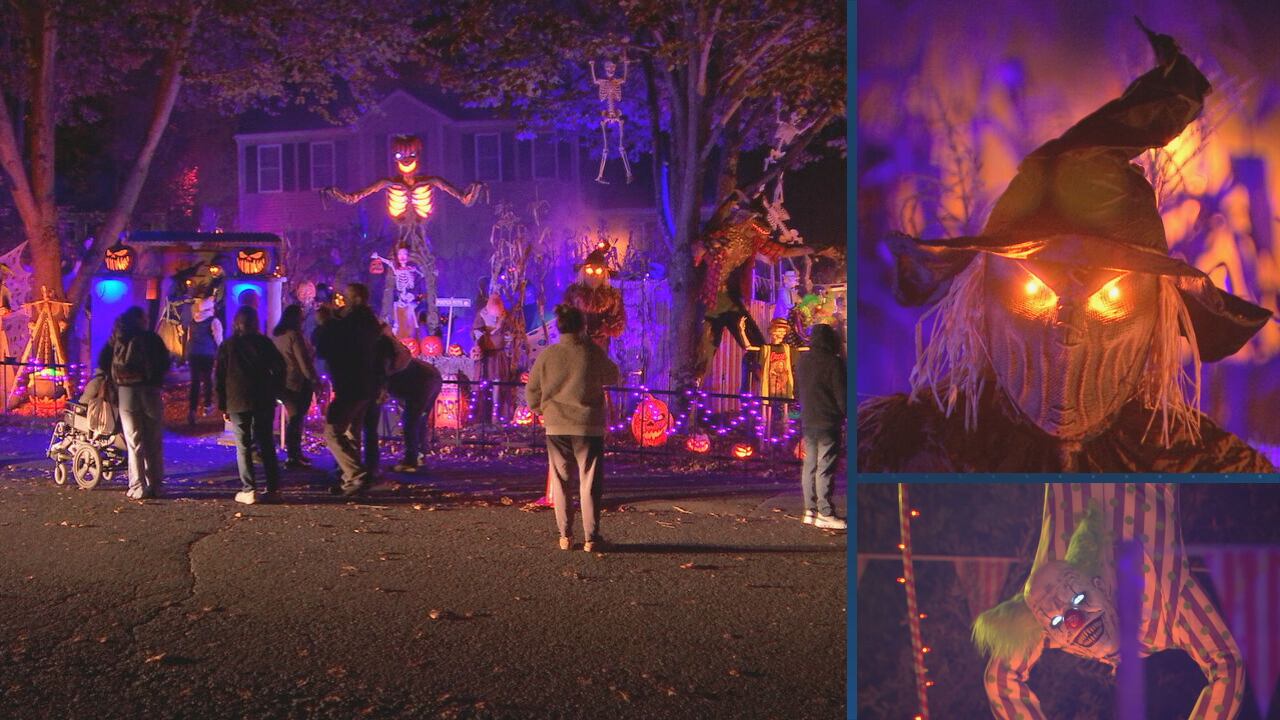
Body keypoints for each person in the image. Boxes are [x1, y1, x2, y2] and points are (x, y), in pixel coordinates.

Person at [857, 25, 1274, 473]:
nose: (1068, 333)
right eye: (1034, 293)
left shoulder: (1207, 466)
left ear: (1157, 312)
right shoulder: (908, 449)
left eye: (1111, 298)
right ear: (983, 301)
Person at [974, 484, 1243, 719]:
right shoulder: (1167, 617)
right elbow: (1228, 664)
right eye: (1059, 619)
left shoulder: (1043, 623)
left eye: (1079, 599)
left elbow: (999, 681)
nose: (1074, 620)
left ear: (1098, 585)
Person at [525, 304, 620, 552]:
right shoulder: (592, 352)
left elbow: (532, 389)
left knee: (561, 481)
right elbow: (613, 375)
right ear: (583, 327)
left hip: (556, 425)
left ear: (559, 327)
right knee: (589, 482)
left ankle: (565, 535)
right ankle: (591, 537)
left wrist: (541, 410)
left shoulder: (548, 355)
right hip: (588, 426)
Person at [315, 283, 393, 496]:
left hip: (350, 384)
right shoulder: (369, 322)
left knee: (332, 432)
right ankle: (351, 480)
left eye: (347, 297)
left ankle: (356, 475)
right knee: (352, 433)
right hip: (365, 385)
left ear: (357, 298)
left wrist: (324, 324)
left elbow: (327, 347)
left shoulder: (353, 323)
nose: (344, 301)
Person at [216, 306, 286, 504]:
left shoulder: (228, 346)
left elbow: (220, 376)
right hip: (263, 398)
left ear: (237, 323)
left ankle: (249, 488)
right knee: (266, 443)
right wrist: (275, 390)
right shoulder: (265, 343)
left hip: (237, 399)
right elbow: (280, 367)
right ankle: (273, 488)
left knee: (243, 444)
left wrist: (223, 404)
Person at [107, 306, 171, 499]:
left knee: (134, 440)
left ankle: (137, 485)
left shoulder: (119, 339)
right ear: (141, 320)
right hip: (150, 390)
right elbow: (164, 362)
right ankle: (156, 484)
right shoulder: (152, 339)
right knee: (153, 439)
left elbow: (107, 364)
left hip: (126, 391)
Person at [794, 323, 846, 530]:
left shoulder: (803, 361)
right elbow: (841, 394)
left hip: (809, 419)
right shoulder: (834, 363)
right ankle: (825, 512)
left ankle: (810, 510)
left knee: (810, 465)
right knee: (825, 467)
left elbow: (798, 390)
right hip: (828, 420)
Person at [272, 304, 320, 468]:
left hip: (282, 381)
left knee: (294, 418)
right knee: (296, 418)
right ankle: (294, 455)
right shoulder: (294, 336)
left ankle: (295, 454)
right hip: (296, 381)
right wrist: (313, 379)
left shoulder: (278, 336)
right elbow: (303, 361)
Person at [386, 357, 443, 473]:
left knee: (410, 421)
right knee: (419, 420)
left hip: (419, 379)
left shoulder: (379, 356)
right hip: (429, 376)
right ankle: (420, 456)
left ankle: (410, 461)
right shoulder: (390, 351)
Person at [185, 294, 222, 425]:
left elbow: (189, 337)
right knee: (207, 379)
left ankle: (192, 410)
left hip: (193, 353)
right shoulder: (213, 321)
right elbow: (218, 338)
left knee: (195, 382)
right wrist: (220, 351)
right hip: (207, 353)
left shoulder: (193, 321)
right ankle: (207, 405)